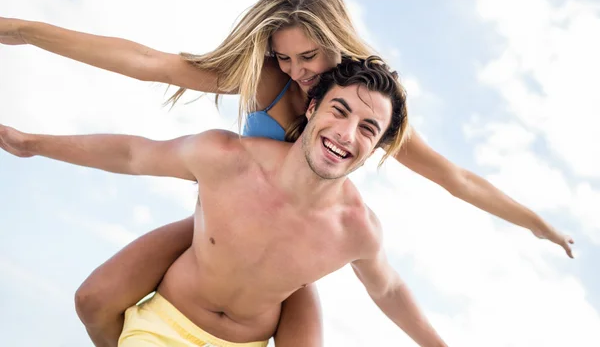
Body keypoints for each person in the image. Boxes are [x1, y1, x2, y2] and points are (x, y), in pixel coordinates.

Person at [0, 0, 573, 346]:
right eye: (285, 56)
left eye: (309, 54)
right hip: (226, 223)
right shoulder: (266, 81)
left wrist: (538, 225)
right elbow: (145, 62)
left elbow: (458, 179)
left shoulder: (364, 106)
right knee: (95, 300)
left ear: (336, 37)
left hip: (294, 250)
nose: (298, 69)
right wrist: (23, 31)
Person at [0, 57, 448, 347]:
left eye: (369, 129)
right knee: (92, 300)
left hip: (247, 340)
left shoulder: (357, 228)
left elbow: (387, 288)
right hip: (164, 325)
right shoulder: (227, 158)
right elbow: (134, 153)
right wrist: (34, 143)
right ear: (312, 109)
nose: (347, 134)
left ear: (377, 148)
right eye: (339, 110)